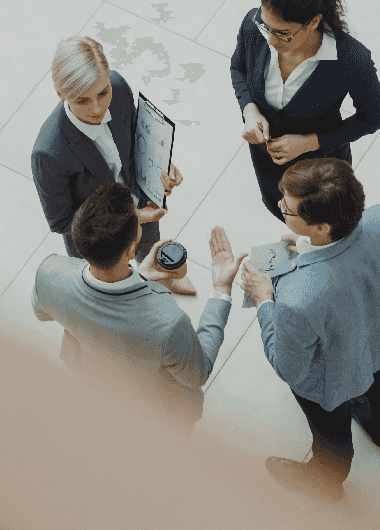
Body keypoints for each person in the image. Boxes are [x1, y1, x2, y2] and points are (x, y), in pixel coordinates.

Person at [237, 158, 380, 502]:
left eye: (287, 210)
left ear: (321, 227)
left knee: (330, 435)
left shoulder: (295, 299)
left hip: (329, 382)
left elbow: (288, 368)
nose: (280, 208)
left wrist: (263, 299)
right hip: (378, 342)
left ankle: (325, 481)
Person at [31, 182, 249, 439]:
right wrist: (221, 290)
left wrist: (139, 276)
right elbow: (196, 374)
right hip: (157, 412)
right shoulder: (167, 322)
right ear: (132, 249)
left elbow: (42, 313)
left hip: (94, 383)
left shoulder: (50, 272)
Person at [32, 35, 196, 295]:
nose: (97, 108)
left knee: (149, 246)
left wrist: (160, 166)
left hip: (140, 201)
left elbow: (135, 138)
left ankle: (159, 277)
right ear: (61, 94)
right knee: (111, 293)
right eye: (82, 100)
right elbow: (61, 221)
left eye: (102, 92)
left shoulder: (118, 87)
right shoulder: (49, 152)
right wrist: (130, 219)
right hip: (98, 241)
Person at [230, 0, 380, 222]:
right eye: (266, 27)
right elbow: (238, 68)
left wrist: (310, 142)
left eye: (283, 34)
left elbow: (373, 117)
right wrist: (249, 108)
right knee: (285, 216)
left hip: (320, 172)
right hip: (269, 165)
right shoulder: (253, 26)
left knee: (324, 225)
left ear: (314, 22)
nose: (270, 40)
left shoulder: (350, 59)